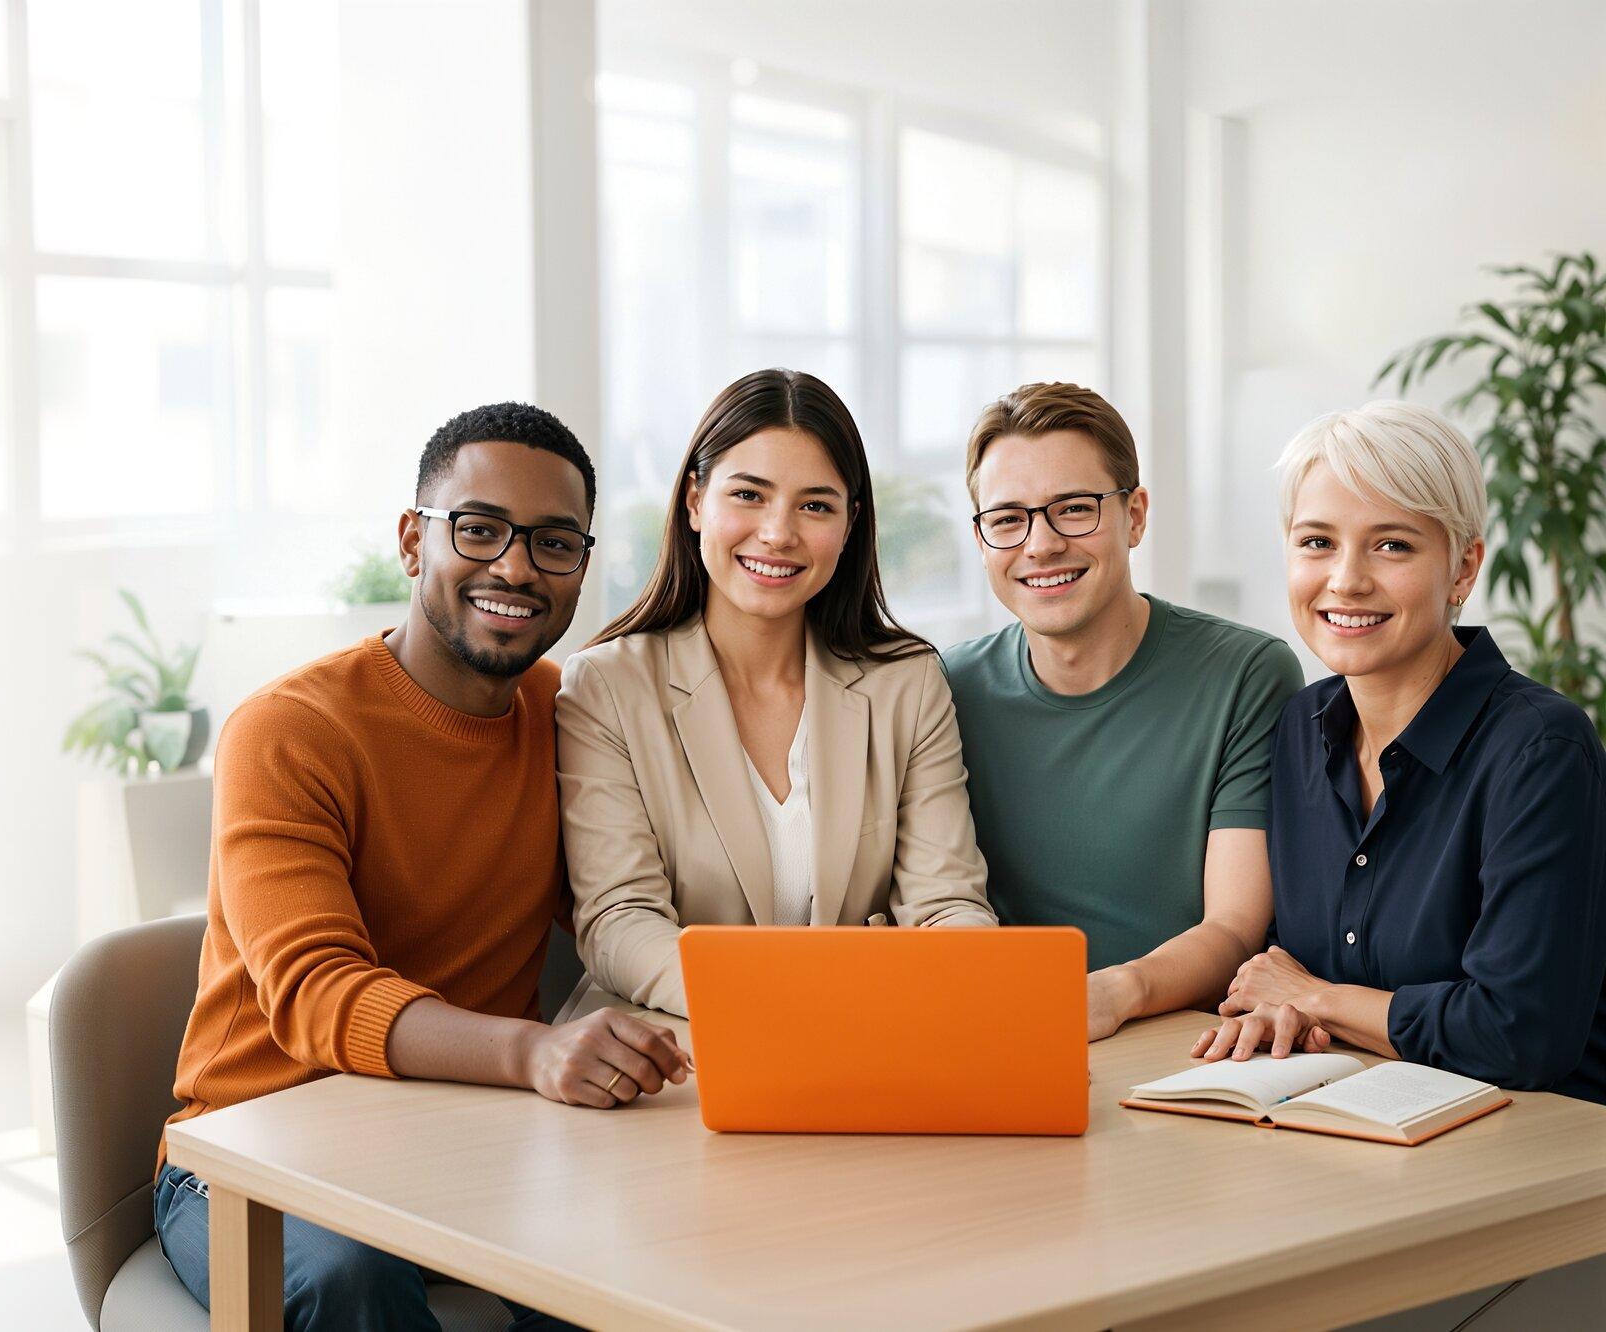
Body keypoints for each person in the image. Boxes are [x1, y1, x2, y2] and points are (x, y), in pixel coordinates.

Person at [156, 402, 690, 1327]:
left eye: (553, 543)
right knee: (347, 1277)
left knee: (651, 1240)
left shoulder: (568, 714)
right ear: (413, 541)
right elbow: (316, 992)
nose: (515, 568)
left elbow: (627, 905)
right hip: (253, 1151)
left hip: (475, 1136)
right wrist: (532, 1052)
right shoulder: (288, 730)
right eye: (478, 530)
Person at [1193, 401, 1606, 1104]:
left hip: (1539, 1147)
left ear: (1463, 568)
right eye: (1317, 542)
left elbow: (1519, 1034)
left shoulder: (1541, 748)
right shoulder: (1299, 725)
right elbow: (1276, 971)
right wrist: (1288, 1004)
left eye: (1392, 545)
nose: (1346, 580)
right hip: (1350, 1119)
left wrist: (1319, 997)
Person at [557, 368, 994, 1017]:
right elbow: (621, 919)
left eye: (815, 505)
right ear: (695, 499)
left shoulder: (908, 682)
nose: (778, 533)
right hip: (681, 1048)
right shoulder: (607, 686)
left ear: (850, 524)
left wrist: (962, 975)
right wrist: (775, 1005)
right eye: (750, 495)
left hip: (870, 1032)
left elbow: (947, 900)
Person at [940, 382, 1305, 1041]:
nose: (1041, 544)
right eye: (1006, 519)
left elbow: (1234, 924)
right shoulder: (943, 688)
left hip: (1180, 1044)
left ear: (1135, 515)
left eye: (1074, 509)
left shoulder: (1246, 675)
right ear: (981, 538)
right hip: (1002, 1037)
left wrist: (1115, 993)